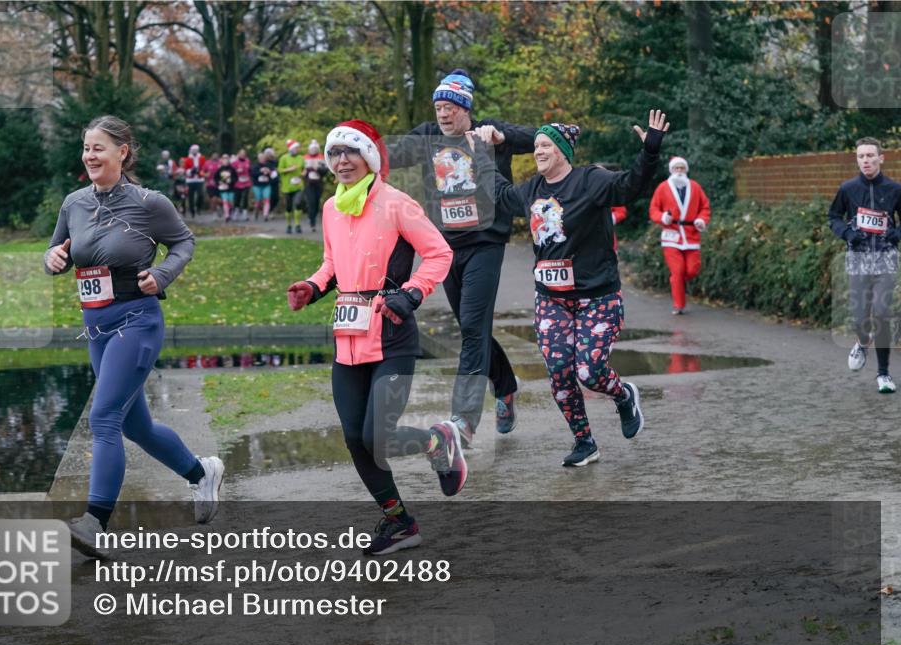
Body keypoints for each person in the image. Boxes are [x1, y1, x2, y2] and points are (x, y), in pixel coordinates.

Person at [43, 115, 224, 557]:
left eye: (99, 148)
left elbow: (184, 243)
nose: (89, 156)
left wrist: (162, 274)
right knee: (135, 425)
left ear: (122, 152)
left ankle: (95, 523)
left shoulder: (149, 202)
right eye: (86, 148)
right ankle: (202, 473)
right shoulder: (74, 203)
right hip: (97, 326)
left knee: (104, 418)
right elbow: (59, 251)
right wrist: (52, 258)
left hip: (137, 320)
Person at [286, 119, 463, 556]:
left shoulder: (396, 203)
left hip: (392, 335)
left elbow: (440, 252)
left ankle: (436, 441)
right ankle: (399, 521)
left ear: (369, 157)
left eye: (350, 152)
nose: (342, 161)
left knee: (375, 436)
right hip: (347, 338)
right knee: (354, 437)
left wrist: (411, 293)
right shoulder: (332, 208)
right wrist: (312, 285)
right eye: (334, 154)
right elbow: (332, 262)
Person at [485, 110, 669, 466]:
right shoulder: (532, 190)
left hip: (597, 296)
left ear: (562, 152)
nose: (538, 151)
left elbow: (629, 186)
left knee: (590, 371)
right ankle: (584, 442)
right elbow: (501, 193)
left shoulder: (591, 180)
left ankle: (622, 394)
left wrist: (650, 151)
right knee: (559, 372)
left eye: (545, 145)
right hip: (552, 300)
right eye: (535, 145)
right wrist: (492, 152)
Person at [388, 68, 536, 447]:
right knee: (473, 327)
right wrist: (349, 151)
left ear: (466, 109)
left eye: (451, 106)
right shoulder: (426, 136)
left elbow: (540, 139)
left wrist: (502, 138)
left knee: (472, 325)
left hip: (486, 243)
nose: (443, 113)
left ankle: (464, 422)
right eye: (439, 106)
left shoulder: (487, 133)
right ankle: (505, 386)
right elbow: (386, 155)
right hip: (444, 246)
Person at [829, 137, 901, 394]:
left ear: (881, 158)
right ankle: (862, 342)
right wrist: (847, 234)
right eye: (861, 157)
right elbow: (834, 217)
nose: (866, 161)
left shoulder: (894, 189)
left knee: (881, 314)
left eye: (871, 156)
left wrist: (896, 233)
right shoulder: (848, 189)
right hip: (858, 259)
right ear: (857, 159)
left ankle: (883, 375)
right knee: (861, 318)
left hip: (885, 258)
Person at [649, 156, 711, 315]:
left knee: (692, 270)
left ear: (686, 170)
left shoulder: (695, 187)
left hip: (691, 234)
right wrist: (663, 217)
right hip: (671, 235)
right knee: (677, 270)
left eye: (682, 168)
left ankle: (678, 284)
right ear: (671, 170)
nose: (679, 171)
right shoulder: (663, 187)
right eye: (676, 168)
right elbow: (654, 209)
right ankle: (679, 304)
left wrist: (701, 220)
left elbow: (705, 207)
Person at [279, 139, 306, 234]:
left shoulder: (301, 158)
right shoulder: (284, 158)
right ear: (290, 149)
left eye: (297, 148)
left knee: (298, 203)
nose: (297, 150)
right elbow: (280, 170)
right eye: (295, 148)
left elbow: (304, 169)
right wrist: (290, 169)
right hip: (287, 187)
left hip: (298, 186)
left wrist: (303, 173)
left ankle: (298, 225)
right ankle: (289, 225)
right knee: (288, 207)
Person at [303, 139, 328, 232]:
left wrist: (317, 169)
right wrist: (305, 172)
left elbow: (326, 171)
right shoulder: (304, 158)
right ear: (309, 149)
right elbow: (300, 170)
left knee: (316, 203)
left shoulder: (322, 157)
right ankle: (312, 222)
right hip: (308, 184)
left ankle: (313, 216)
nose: (313, 150)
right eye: (311, 149)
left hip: (319, 184)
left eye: (315, 149)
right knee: (311, 202)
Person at [183, 144, 206, 218]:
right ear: (191, 150)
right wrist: (191, 171)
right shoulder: (187, 159)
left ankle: (198, 208)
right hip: (190, 180)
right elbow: (185, 170)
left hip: (199, 179)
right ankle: (192, 210)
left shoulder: (202, 158)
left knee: (201, 194)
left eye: (196, 150)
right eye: (193, 150)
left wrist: (200, 172)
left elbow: (204, 167)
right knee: (190, 196)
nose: (194, 151)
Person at [251, 151, 273, 222]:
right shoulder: (255, 166)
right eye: (261, 158)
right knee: (258, 200)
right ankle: (256, 211)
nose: (262, 159)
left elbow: (273, 174)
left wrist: (269, 172)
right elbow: (253, 174)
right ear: (258, 159)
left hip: (266, 185)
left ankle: (265, 214)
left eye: (263, 158)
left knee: (267, 199)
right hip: (257, 185)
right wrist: (261, 172)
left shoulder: (269, 165)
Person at [232, 149, 252, 221]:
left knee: (246, 196)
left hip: (246, 182)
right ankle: (236, 212)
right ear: (238, 154)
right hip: (238, 182)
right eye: (241, 153)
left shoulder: (247, 161)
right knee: (238, 197)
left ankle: (245, 213)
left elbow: (250, 170)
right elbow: (232, 171)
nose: (242, 155)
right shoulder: (235, 162)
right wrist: (237, 171)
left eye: (244, 153)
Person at [215, 154, 235, 222]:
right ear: (221, 160)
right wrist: (219, 182)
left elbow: (236, 178)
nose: (225, 160)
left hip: (231, 188)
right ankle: (227, 216)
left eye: (226, 158)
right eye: (224, 158)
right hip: (223, 188)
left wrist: (231, 181)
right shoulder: (219, 169)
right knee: (225, 201)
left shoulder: (232, 169)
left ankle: (230, 211)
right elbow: (216, 178)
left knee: (230, 202)